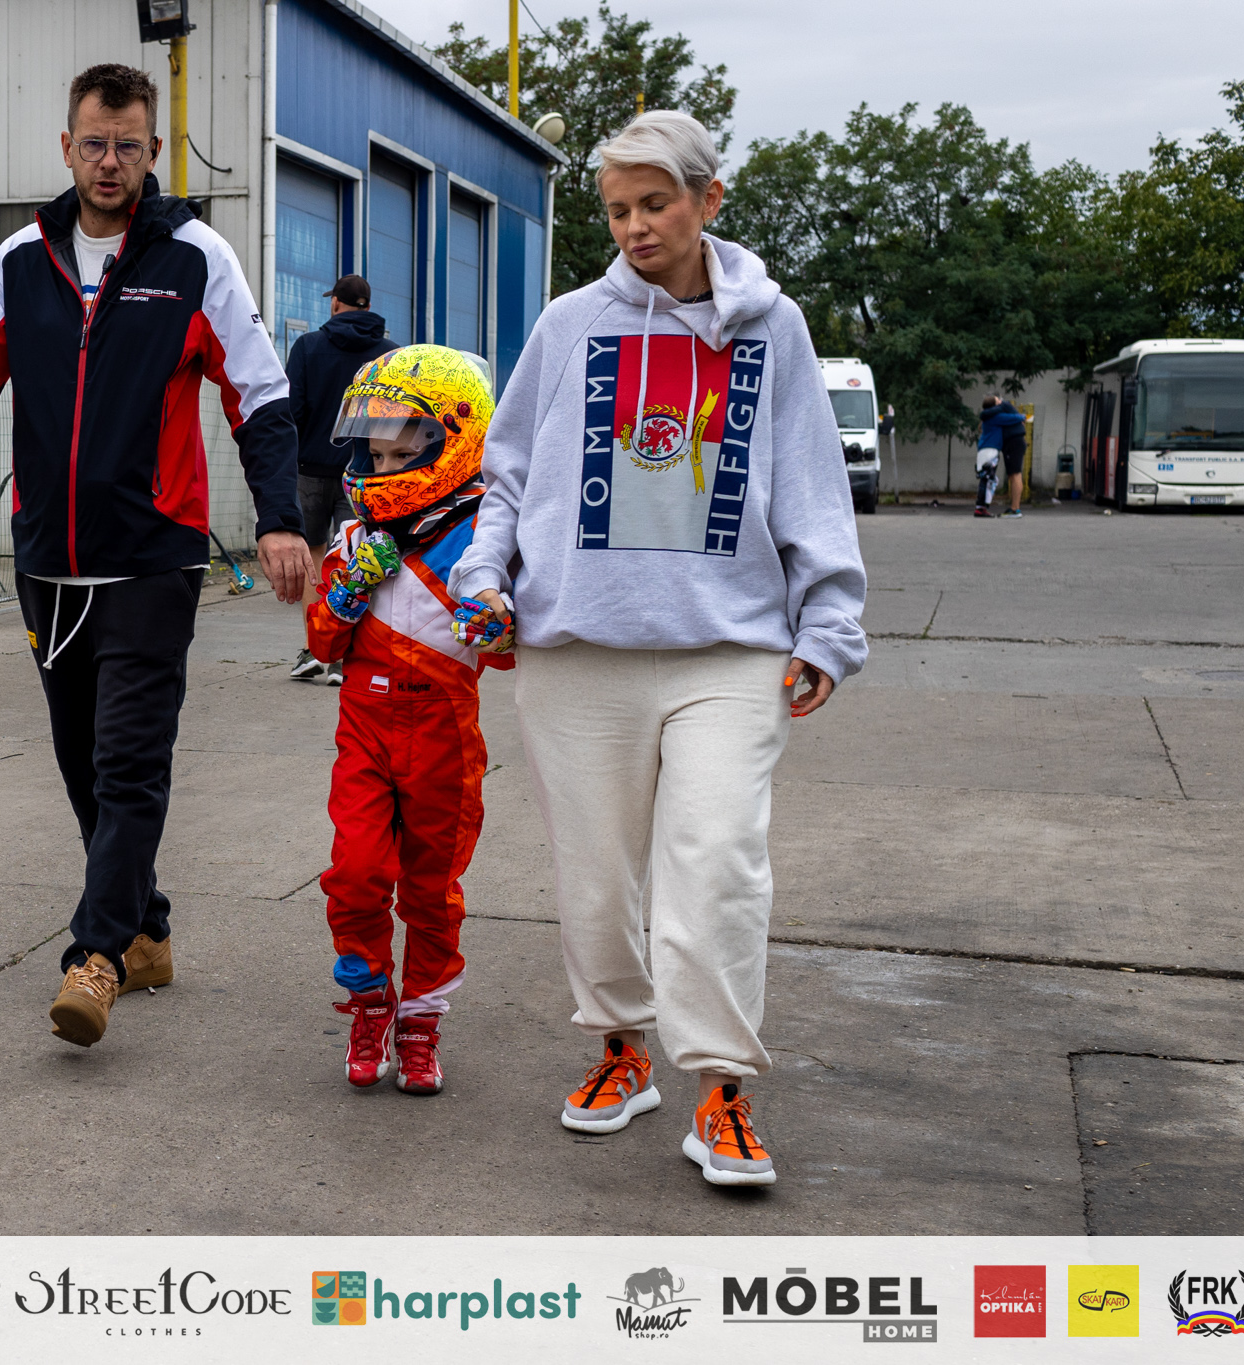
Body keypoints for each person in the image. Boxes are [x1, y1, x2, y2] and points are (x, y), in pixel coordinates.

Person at [449, 110, 867, 1187]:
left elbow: (811, 480)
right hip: (576, 649)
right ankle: (620, 1052)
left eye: (655, 203)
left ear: (707, 199)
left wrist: (828, 624)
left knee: (715, 865)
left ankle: (721, 1090)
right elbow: (507, 475)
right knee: (595, 878)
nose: (634, 227)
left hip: (728, 650)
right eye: (617, 210)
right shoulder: (570, 326)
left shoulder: (772, 330)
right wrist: (484, 576)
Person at [0, 62, 307, 1049]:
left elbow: (259, 391)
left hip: (153, 556)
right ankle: (146, 928)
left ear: (153, 151)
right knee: (82, 763)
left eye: (128, 145)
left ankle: (97, 955)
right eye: (94, 143)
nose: (110, 161)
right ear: (67, 147)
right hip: (50, 560)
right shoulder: (22, 257)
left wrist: (280, 517)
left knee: (129, 761)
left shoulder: (195, 257)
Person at [307, 345, 510, 1096]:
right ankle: (369, 1003)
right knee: (356, 872)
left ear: (450, 447)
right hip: (364, 724)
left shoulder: (482, 543)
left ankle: (421, 1022)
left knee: (432, 888)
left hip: (444, 732)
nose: (383, 468)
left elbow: (509, 655)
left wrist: (497, 626)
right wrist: (346, 594)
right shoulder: (356, 537)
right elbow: (321, 643)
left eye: (401, 455)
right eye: (376, 454)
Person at [286, 273, 396, 686]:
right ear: (367, 305)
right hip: (366, 472)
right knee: (360, 558)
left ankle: (316, 648)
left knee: (314, 557)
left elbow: (291, 410)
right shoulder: (389, 355)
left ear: (335, 303)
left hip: (311, 469)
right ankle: (347, 657)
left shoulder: (308, 346)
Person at [980, 395, 1027, 518]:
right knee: (1013, 475)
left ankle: (1015, 509)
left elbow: (984, 414)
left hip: (1013, 443)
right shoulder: (1001, 412)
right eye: (998, 400)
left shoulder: (1003, 407)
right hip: (1013, 443)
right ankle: (1015, 508)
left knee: (1015, 474)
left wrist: (1022, 417)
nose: (1001, 401)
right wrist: (1021, 417)